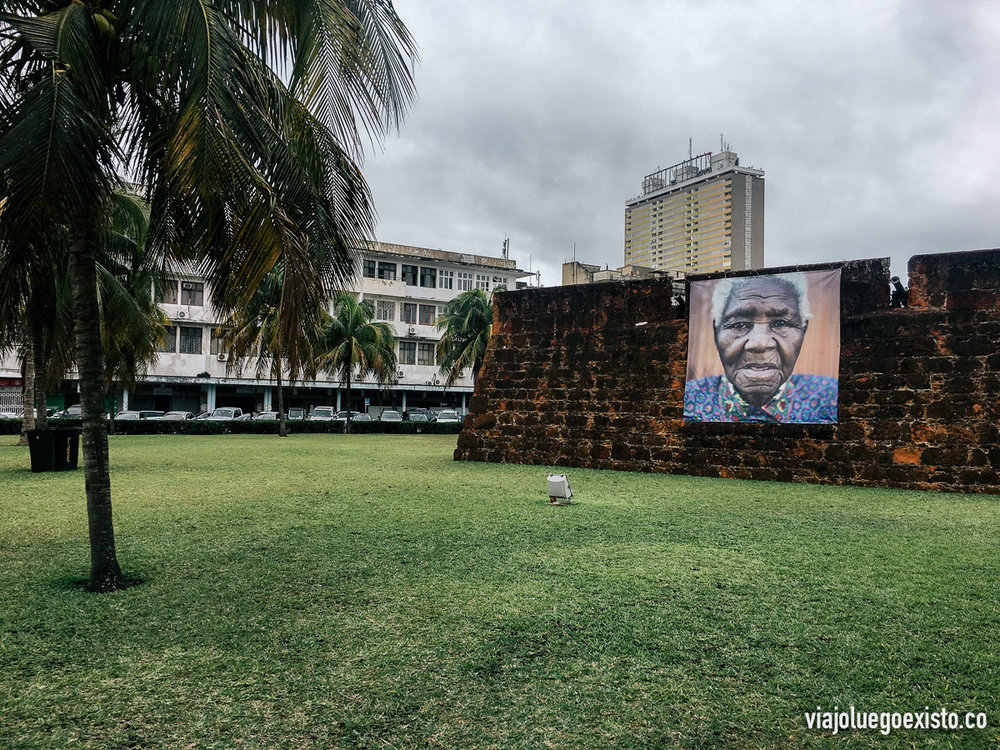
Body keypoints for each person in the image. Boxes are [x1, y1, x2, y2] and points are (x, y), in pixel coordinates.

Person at [684, 273, 838, 423]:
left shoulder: (829, 397)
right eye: (740, 325)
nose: (760, 343)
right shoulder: (690, 398)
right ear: (716, 331)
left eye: (781, 323)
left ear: (803, 331)